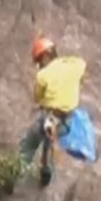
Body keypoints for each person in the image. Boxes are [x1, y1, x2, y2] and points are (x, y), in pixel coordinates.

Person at [19, 33, 87, 186]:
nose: (39, 65)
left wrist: (45, 102)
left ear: (44, 57)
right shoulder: (74, 66)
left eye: (39, 61)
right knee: (50, 141)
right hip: (67, 121)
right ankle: (46, 171)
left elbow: (38, 98)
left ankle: (14, 174)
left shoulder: (43, 75)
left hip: (51, 117)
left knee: (29, 144)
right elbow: (82, 64)